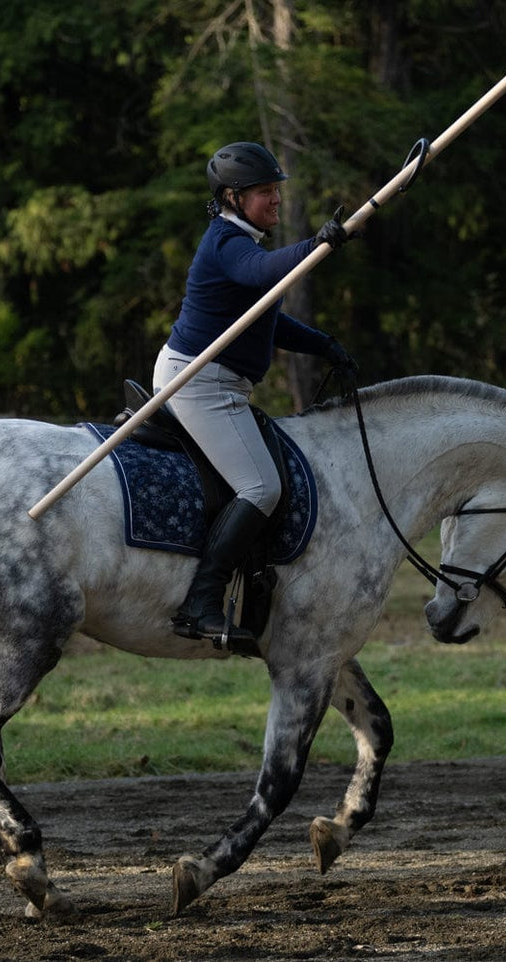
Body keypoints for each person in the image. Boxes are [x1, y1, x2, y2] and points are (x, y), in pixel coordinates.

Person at [154, 140, 357, 647]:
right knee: (261, 487)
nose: (275, 200)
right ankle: (200, 603)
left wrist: (324, 345)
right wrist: (318, 244)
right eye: (264, 192)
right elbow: (262, 274)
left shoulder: (244, 241)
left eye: (275, 191)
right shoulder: (227, 244)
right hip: (197, 385)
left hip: (219, 383)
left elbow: (268, 317)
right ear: (232, 198)